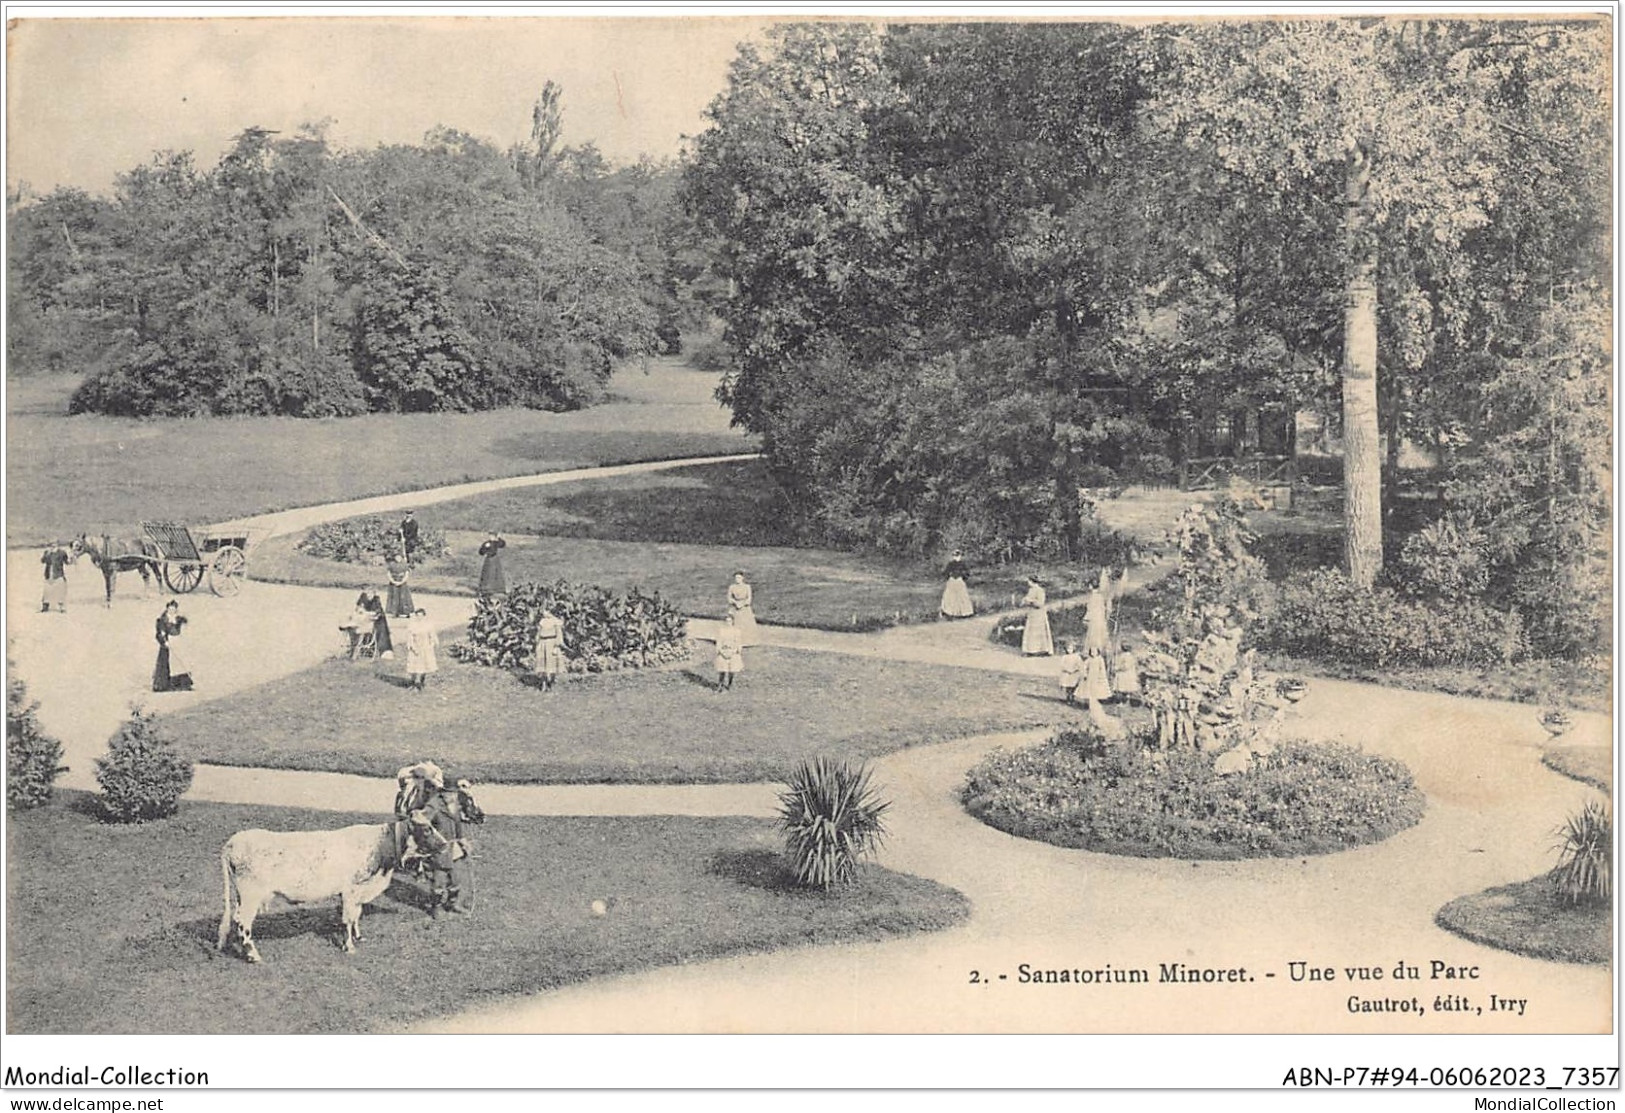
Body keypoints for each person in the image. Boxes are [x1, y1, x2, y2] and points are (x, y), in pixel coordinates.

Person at [152, 600, 193, 692]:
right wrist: (164, 641)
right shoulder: (162, 620)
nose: (171, 611)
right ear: (167, 609)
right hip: (168, 644)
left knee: (181, 662)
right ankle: (164, 685)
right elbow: (160, 633)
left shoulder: (177, 618)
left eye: (173, 609)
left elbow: (185, 621)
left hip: (178, 642)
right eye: (170, 609)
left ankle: (183, 683)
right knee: (167, 664)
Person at [404, 608, 439, 691]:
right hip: (415, 647)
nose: (419, 618)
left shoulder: (428, 625)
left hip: (425, 647)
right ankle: (412, 683)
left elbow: (432, 636)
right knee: (413, 666)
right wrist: (412, 646)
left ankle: (420, 683)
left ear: (424, 616)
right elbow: (410, 637)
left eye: (421, 616)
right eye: (417, 616)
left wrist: (431, 645)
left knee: (423, 666)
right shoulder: (412, 625)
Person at [533, 605, 565, 691]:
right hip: (543, 643)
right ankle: (543, 683)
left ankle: (551, 682)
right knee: (542, 664)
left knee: (552, 664)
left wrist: (556, 646)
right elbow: (538, 633)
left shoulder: (556, 622)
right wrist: (537, 643)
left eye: (545, 611)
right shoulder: (542, 621)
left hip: (551, 643)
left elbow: (559, 635)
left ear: (549, 611)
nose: (543, 613)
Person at [1020, 577, 1053, 657]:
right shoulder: (1031, 590)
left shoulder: (1040, 590)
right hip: (1032, 614)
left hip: (1039, 614)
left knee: (1039, 632)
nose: (1028, 583)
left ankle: (1042, 650)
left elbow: (1040, 603)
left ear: (1032, 581)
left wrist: (1031, 601)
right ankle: (1031, 651)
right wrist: (1025, 601)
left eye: (1029, 581)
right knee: (1031, 632)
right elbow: (1028, 600)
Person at [939, 550, 975, 619]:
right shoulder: (951, 564)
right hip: (953, 581)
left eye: (958, 556)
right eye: (955, 556)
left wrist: (963, 577)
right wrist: (949, 576)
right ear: (953, 556)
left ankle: (963, 613)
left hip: (959, 581)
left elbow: (967, 573)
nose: (957, 557)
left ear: (960, 556)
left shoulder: (963, 564)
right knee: (950, 596)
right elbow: (946, 572)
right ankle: (950, 612)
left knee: (962, 596)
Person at [726, 571, 758, 646]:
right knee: (735, 623)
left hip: (745, 607)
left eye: (739, 577)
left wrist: (742, 604)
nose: (738, 579)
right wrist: (735, 603)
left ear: (742, 578)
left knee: (746, 623)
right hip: (735, 607)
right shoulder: (732, 587)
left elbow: (749, 599)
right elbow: (729, 598)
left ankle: (747, 641)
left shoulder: (747, 587)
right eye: (736, 578)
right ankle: (735, 641)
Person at [714, 613, 744, 690]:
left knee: (732, 669)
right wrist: (720, 651)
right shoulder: (722, 631)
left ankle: (730, 684)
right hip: (724, 650)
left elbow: (738, 642)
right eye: (727, 621)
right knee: (722, 669)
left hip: (732, 651)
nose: (728, 623)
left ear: (733, 622)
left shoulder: (736, 631)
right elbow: (719, 641)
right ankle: (720, 685)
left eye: (730, 621)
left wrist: (734, 651)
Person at [40, 541, 70, 613]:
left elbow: (66, 561)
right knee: (47, 591)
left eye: (54, 545)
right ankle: (45, 606)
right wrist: (47, 554)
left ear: (57, 545)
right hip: (48, 574)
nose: (53, 546)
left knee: (61, 591)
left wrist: (72, 560)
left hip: (58, 574)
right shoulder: (47, 553)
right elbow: (42, 561)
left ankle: (62, 607)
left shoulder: (62, 553)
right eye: (51, 545)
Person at [1082, 644, 1113, 710]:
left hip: (1097, 677)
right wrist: (1085, 674)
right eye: (1092, 652)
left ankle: (1095, 703)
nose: (1093, 653)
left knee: (1097, 690)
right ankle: (1088, 703)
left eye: (1095, 651)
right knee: (1089, 690)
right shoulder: (1089, 660)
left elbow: (1102, 669)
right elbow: (1084, 667)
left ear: (1098, 652)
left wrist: (1102, 676)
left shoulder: (1100, 659)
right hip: (1090, 677)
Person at [476, 532, 507, 597]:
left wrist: (499, 538)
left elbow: (503, 545)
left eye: (492, 536)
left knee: (496, 574)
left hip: (495, 559)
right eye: (490, 535)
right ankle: (485, 590)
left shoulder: (496, 543)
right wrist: (485, 548)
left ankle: (498, 589)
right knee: (487, 574)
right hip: (488, 559)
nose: (491, 537)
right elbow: (481, 552)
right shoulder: (486, 543)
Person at [1082, 584, 1109, 655]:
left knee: (1093, 634)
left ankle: (1094, 651)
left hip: (1094, 618)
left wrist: (1086, 618)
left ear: (1090, 586)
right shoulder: (1101, 597)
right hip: (1100, 618)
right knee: (1100, 634)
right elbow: (1104, 608)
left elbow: (1090, 609)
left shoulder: (1092, 597)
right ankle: (1100, 650)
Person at [385, 553, 414, 618]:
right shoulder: (391, 564)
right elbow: (389, 574)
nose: (398, 558)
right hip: (393, 583)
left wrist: (401, 582)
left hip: (402, 583)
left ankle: (406, 612)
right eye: (396, 557)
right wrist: (393, 581)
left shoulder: (405, 565)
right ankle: (394, 612)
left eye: (399, 557)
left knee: (404, 597)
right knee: (394, 597)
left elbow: (406, 574)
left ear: (401, 558)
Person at [1113, 641, 1141, 706]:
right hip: (1128, 673)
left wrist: (1118, 668)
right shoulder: (1129, 655)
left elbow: (1126, 666)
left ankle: (1123, 702)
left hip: (1125, 674)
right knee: (1126, 689)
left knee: (1124, 688)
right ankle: (1125, 701)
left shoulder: (1127, 656)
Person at [1056, 640, 1084, 704]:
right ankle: (1068, 698)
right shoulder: (1065, 657)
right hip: (1067, 674)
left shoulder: (1077, 657)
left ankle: (1072, 698)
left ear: (1074, 649)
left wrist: (1075, 669)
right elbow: (1062, 665)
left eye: (1071, 649)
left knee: (1073, 686)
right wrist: (1067, 670)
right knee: (1068, 687)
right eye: (1068, 649)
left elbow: (1079, 664)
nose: (1069, 650)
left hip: (1074, 674)